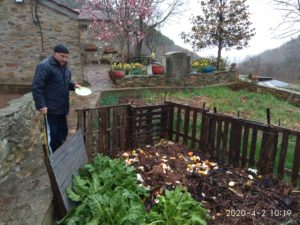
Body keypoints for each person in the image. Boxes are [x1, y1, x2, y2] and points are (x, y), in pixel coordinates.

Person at [32, 43, 81, 154]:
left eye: (66, 57)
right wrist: (41, 105)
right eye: (62, 56)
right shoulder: (44, 66)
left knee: (62, 133)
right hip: (50, 110)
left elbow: (63, 84)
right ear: (55, 54)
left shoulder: (65, 69)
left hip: (62, 109)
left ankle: (61, 155)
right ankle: (53, 160)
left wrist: (73, 86)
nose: (64, 59)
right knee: (52, 137)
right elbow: (37, 87)